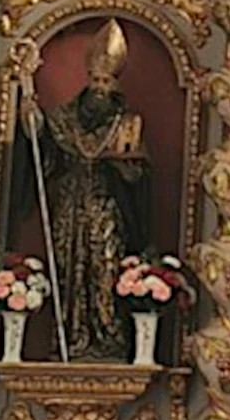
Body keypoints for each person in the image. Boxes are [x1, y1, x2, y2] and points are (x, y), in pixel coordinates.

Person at [17, 18, 150, 360]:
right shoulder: (65, 119)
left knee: (105, 269)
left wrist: (127, 167)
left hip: (106, 209)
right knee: (68, 271)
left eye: (106, 81)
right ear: (87, 79)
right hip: (70, 205)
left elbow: (139, 178)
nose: (100, 87)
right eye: (95, 80)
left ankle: (107, 340)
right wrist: (33, 121)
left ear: (115, 84)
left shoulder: (126, 124)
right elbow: (45, 146)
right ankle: (70, 339)